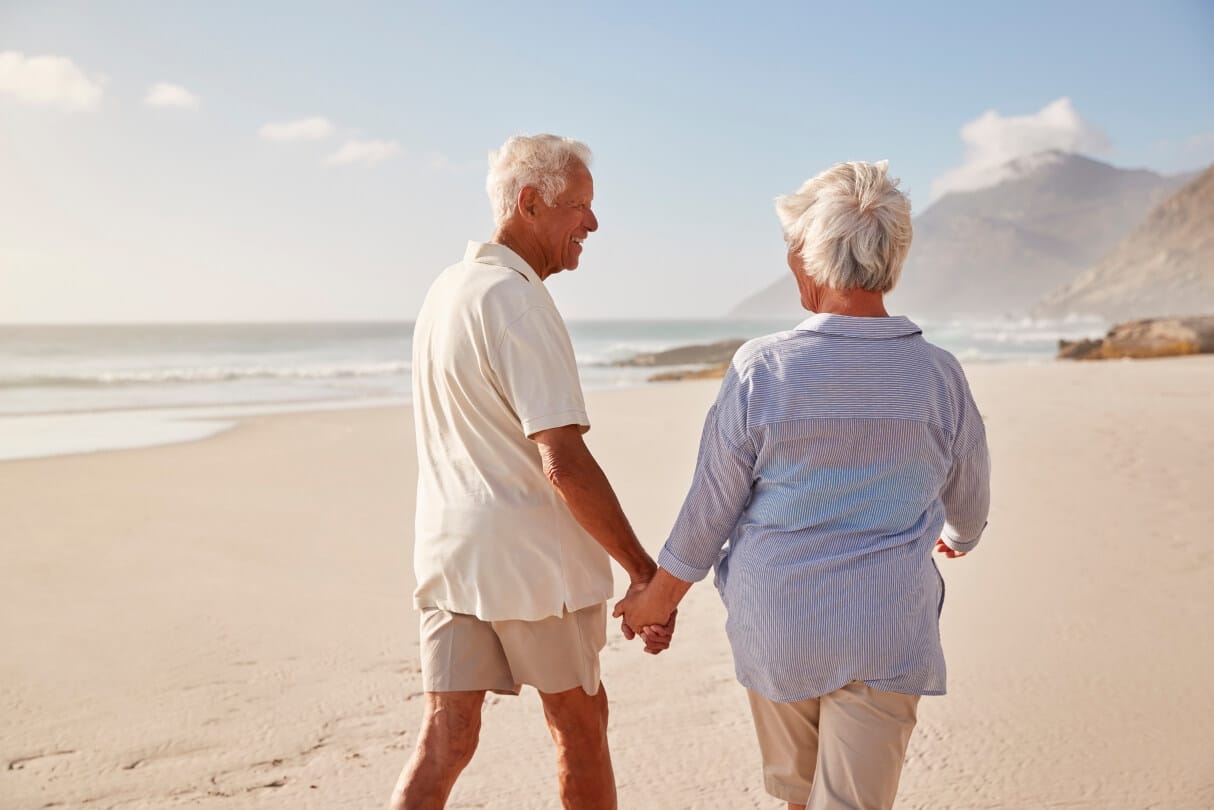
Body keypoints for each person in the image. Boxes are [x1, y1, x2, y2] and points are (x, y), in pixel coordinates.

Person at [614, 160, 991, 810]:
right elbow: (971, 506)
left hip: (781, 622)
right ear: (893, 258)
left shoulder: (764, 368)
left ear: (810, 256)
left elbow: (710, 514)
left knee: (798, 795)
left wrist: (656, 601)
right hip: (886, 625)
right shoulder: (938, 376)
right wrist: (957, 535)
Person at [387, 134, 672, 810]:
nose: (592, 224)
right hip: (531, 570)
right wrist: (642, 571)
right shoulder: (517, 301)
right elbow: (564, 463)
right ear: (530, 203)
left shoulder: (446, 290)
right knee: (580, 727)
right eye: (580, 207)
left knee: (446, 738)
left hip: (450, 557)